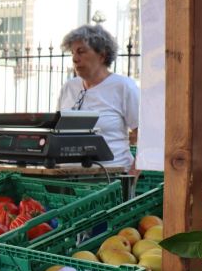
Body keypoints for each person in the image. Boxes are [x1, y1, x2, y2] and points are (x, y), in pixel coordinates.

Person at [57, 25, 140, 171]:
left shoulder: (124, 86)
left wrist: (132, 176)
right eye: (73, 53)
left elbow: (145, 137)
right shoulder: (68, 87)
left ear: (102, 55)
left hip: (110, 182)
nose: (75, 59)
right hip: (65, 181)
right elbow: (57, 131)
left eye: (81, 52)